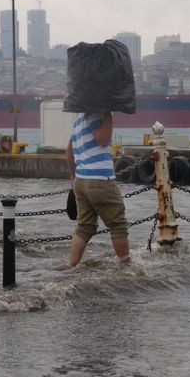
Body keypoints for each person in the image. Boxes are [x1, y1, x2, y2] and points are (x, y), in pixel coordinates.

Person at [66, 111, 129, 266]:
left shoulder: (78, 120)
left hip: (81, 180)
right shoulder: (98, 113)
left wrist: (74, 175)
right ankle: (127, 268)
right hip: (100, 178)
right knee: (118, 225)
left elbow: (69, 150)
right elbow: (103, 139)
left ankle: (71, 266)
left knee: (84, 227)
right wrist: (108, 114)